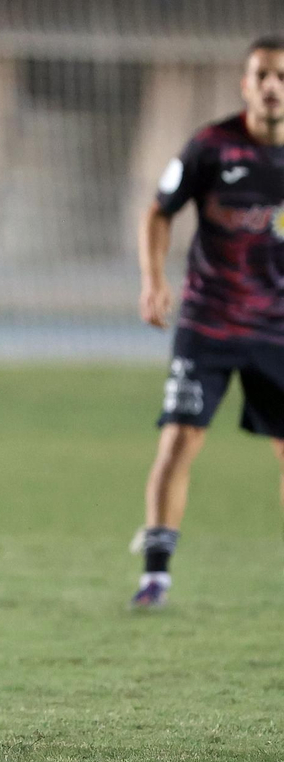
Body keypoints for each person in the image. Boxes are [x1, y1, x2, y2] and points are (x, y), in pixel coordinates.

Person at [132, 37, 284, 608]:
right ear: (246, 84)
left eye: (281, 76)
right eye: (262, 75)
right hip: (209, 322)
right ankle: (155, 575)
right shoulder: (211, 146)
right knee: (180, 439)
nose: (272, 85)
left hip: (278, 327)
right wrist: (153, 280)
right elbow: (158, 211)